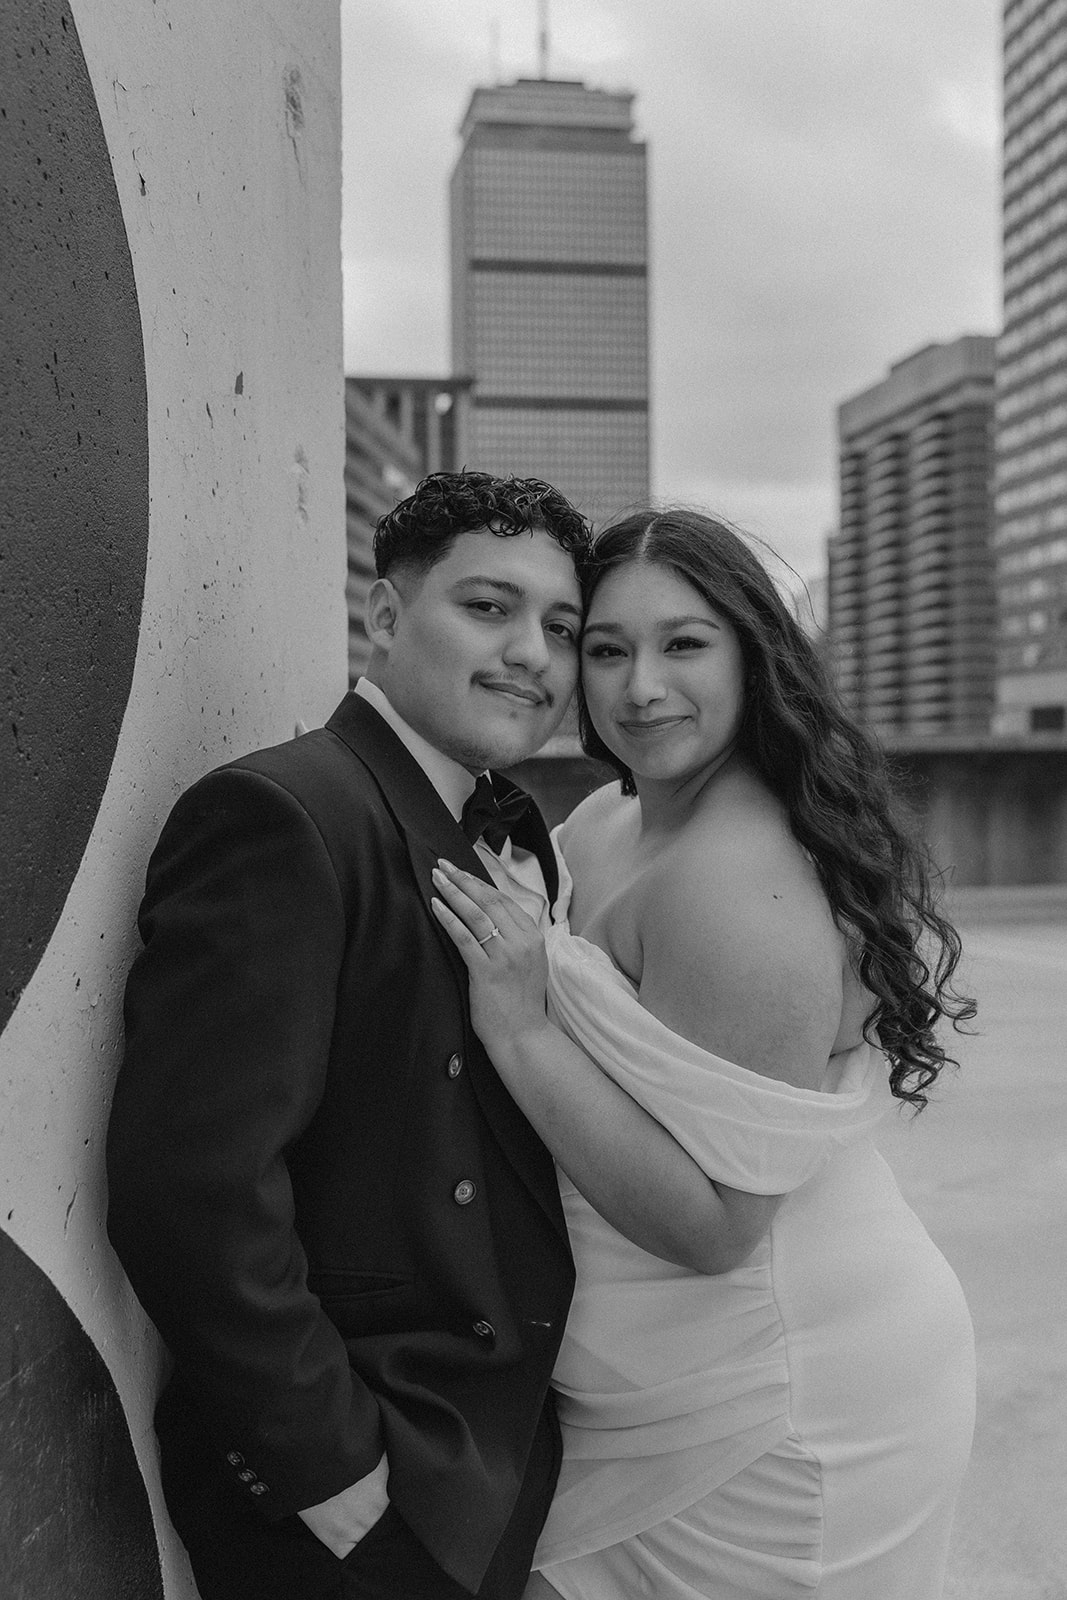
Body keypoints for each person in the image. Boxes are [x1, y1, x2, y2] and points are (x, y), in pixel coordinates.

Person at [430, 507, 977, 1600]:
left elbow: (716, 1222)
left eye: (682, 644)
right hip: (648, 1374)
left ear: (750, 654)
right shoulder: (603, 819)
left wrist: (523, 1025)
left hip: (778, 1385)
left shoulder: (740, 890)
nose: (639, 687)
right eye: (606, 648)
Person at [105, 470, 591, 1600]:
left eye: (560, 627)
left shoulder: (511, 836)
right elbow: (191, 1183)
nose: (532, 652)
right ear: (383, 616)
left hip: (482, 1463)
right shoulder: (284, 813)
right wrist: (329, 1469)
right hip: (360, 1488)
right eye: (487, 606)